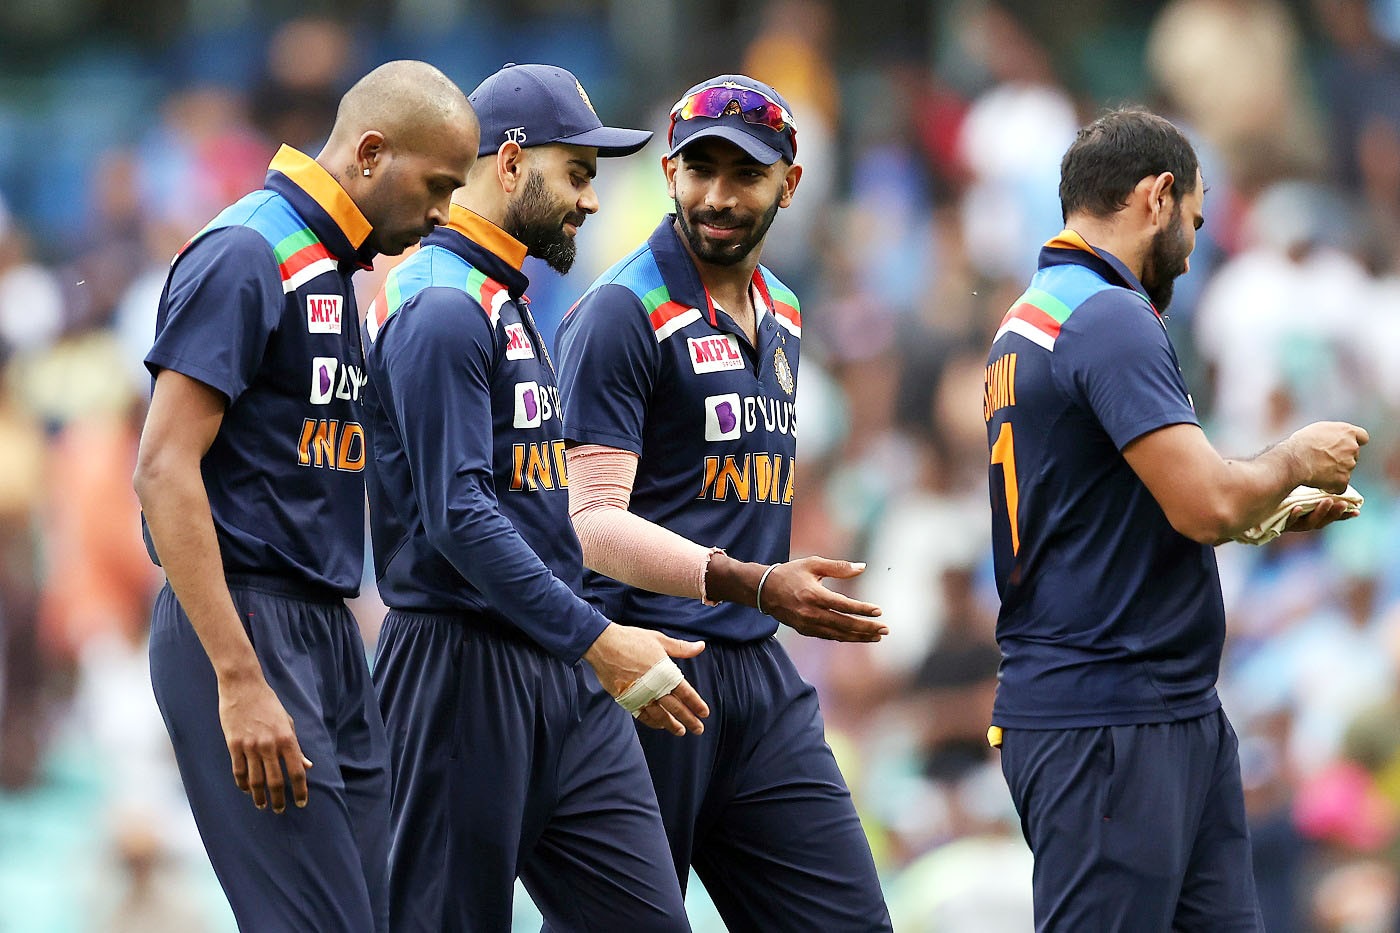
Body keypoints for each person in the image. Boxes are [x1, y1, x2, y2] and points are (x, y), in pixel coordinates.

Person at [982, 106, 1368, 931]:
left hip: (1157, 708)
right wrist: (1294, 458)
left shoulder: (1034, 317)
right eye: (1192, 220)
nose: (1190, 252)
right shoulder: (1110, 316)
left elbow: (1118, 505)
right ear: (1157, 196)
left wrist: (1269, 514)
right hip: (1111, 718)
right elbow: (1207, 501)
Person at [133, 61, 478, 931]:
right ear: (370, 152)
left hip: (323, 630)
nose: (443, 213)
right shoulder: (249, 251)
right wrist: (238, 675)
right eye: (437, 186)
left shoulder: (330, 268)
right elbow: (163, 467)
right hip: (244, 623)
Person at [362, 63, 705, 932]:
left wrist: (591, 638)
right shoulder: (439, 303)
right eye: (578, 173)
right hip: (458, 670)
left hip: (557, 667)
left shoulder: (503, 299)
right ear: (509, 163)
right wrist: (600, 638)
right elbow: (459, 515)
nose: (591, 202)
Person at [555, 74, 894, 932]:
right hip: (646, 669)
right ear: (668, 171)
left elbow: (744, 490)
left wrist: (776, 589)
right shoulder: (622, 311)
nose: (716, 194)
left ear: (790, 183)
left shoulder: (781, 306)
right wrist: (753, 581)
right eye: (698, 168)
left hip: (759, 678)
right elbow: (589, 523)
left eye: (744, 174)